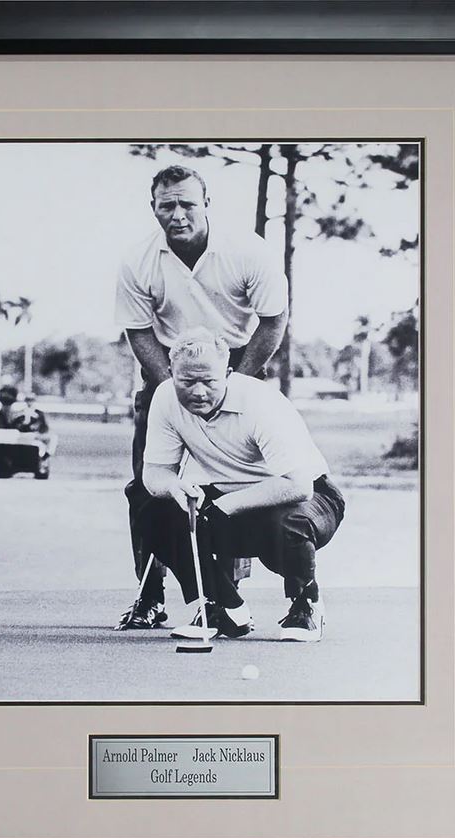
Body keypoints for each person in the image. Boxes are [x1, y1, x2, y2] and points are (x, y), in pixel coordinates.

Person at [115, 164, 289, 629]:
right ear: (153, 208)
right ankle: (150, 597)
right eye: (166, 205)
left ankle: (224, 597)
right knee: (148, 488)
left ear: (206, 204)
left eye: (187, 203)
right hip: (167, 370)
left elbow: (273, 320)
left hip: (237, 365)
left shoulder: (249, 252)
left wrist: (233, 383)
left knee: (242, 484)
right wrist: (172, 388)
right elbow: (138, 330)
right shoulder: (137, 261)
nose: (177, 214)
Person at [137, 328, 345, 642]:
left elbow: (298, 485)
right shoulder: (165, 398)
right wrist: (176, 489)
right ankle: (225, 607)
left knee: (285, 522)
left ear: (228, 373)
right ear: (170, 373)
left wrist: (219, 508)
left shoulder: (259, 403)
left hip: (309, 497)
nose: (198, 392)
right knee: (153, 509)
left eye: (208, 381)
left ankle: (306, 602)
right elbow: (155, 475)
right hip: (227, 493)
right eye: (187, 381)